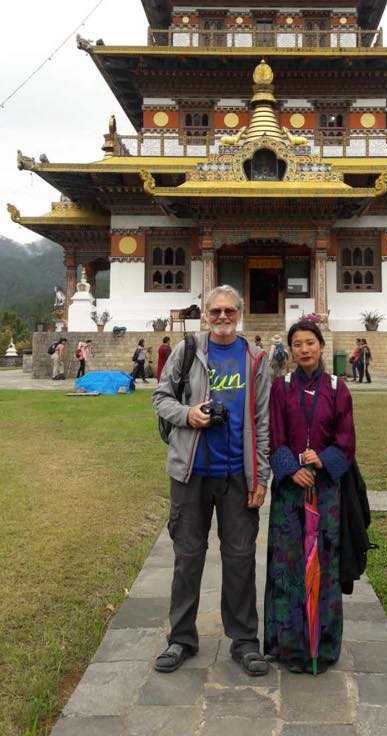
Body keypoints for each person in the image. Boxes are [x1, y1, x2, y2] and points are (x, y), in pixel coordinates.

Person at [152, 285, 271, 676]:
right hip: (192, 473)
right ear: (205, 314)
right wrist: (189, 415)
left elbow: (263, 422)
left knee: (239, 558)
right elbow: (160, 398)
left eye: (229, 312)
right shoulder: (188, 352)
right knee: (188, 557)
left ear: (240, 313)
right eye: (215, 311)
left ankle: (244, 641)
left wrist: (262, 477)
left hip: (238, 474)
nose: (222, 318)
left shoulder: (255, 359)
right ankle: (181, 638)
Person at [264, 319, 355, 674]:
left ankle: (324, 645)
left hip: (326, 490)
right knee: (287, 566)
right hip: (290, 491)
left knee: (324, 566)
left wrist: (322, 460)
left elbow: (346, 441)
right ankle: (288, 645)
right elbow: (275, 436)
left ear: (321, 346)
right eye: (297, 344)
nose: (304, 349)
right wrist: (291, 469)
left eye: (310, 343)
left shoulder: (338, 388)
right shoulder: (280, 388)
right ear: (290, 350)